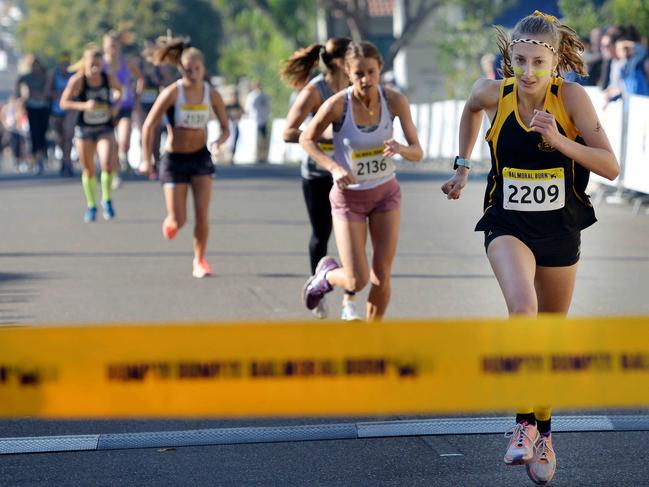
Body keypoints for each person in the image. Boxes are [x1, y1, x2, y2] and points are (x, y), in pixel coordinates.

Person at [441, 11, 619, 485]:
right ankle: (522, 424)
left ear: (556, 61)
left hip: (561, 230)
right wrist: (462, 165)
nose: (528, 72)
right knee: (524, 309)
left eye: (539, 62)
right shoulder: (492, 93)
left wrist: (560, 140)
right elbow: (470, 108)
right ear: (509, 59)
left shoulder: (571, 98)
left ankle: (544, 433)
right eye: (519, 60)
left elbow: (611, 167)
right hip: (508, 224)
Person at [300, 41, 423, 322]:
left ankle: (372, 337)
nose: (366, 80)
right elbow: (306, 138)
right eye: (358, 74)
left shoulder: (394, 100)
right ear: (347, 72)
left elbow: (417, 151)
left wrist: (401, 149)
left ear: (380, 68)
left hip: (385, 195)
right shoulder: (336, 105)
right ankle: (326, 275)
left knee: (381, 275)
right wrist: (333, 167)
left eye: (371, 72)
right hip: (349, 198)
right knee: (356, 281)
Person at [139, 38, 230, 279]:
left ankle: (199, 260)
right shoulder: (172, 93)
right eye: (187, 70)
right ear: (181, 70)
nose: (192, 73)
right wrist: (145, 159)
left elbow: (225, 127)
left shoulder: (211, 94)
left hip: (200, 158)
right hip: (174, 160)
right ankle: (172, 221)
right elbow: (149, 124)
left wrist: (219, 142)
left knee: (202, 215)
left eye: (196, 69)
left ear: (203, 69)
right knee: (180, 219)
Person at [280, 37, 351, 319]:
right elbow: (288, 131)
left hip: (349, 172)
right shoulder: (315, 90)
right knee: (322, 234)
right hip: (318, 173)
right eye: (352, 57)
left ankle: (350, 296)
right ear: (337, 61)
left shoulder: (355, 86)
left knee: (352, 236)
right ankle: (317, 287)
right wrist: (321, 135)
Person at [60, 44, 122, 223]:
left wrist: (116, 106)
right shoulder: (78, 81)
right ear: (85, 65)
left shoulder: (107, 78)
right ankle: (92, 205)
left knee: (107, 164)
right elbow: (64, 103)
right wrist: (83, 106)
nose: (95, 69)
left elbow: (120, 91)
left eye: (98, 64)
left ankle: (107, 199)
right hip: (84, 129)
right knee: (88, 170)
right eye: (91, 65)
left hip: (104, 127)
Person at [103, 30, 143, 187]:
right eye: (108, 46)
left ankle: (123, 158)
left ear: (118, 47)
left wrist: (137, 95)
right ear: (104, 46)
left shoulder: (126, 63)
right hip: (105, 108)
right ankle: (115, 173)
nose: (112, 49)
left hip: (125, 106)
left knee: (123, 140)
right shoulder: (101, 64)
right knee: (111, 143)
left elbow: (140, 77)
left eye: (114, 46)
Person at [16, 55, 50, 175]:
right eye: (33, 66)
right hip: (32, 108)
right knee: (34, 134)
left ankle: (42, 156)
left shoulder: (44, 76)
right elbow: (19, 83)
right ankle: (37, 160)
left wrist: (40, 94)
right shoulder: (27, 77)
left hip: (43, 107)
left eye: (37, 66)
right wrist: (21, 97)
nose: (35, 68)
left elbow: (47, 91)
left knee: (43, 133)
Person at [47, 52, 76, 176]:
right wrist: (59, 94)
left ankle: (68, 162)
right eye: (63, 63)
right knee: (60, 138)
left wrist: (71, 95)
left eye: (67, 63)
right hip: (56, 110)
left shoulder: (73, 75)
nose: (65, 65)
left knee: (68, 135)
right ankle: (63, 159)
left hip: (70, 110)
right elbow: (47, 92)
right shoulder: (54, 74)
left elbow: (78, 91)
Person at [244, 80, 270, 162]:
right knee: (259, 139)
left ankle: (261, 156)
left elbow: (247, 109)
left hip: (258, 120)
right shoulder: (256, 96)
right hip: (258, 120)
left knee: (260, 139)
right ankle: (259, 156)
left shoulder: (258, 96)